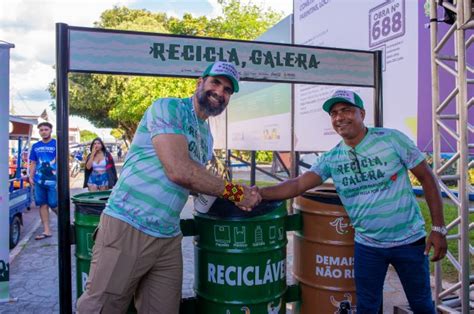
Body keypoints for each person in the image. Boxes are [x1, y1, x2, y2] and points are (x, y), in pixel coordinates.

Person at [77, 62, 261, 313]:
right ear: (200, 82)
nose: (220, 92)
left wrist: (230, 194)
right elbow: (179, 169)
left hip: (167, 237)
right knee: (101, 308)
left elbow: (193, 181)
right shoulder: (168, 107)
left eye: (228, 89)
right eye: (215, 83)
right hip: (128, 223)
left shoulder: (206, 136)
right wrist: (236, 193)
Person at [257, 90, 447, 313]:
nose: (340, 117)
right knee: (367, 307)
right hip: (368, 246)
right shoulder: (332, 158)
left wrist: (438, 228)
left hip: (409, 241)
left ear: (362, 113)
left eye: (347, 110)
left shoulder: (391, 139)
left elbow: (427, 178)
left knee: (422, 305)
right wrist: (259, 193)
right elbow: (298, 185)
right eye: (334, 113)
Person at [29, 122, 57, 240]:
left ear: (51, 130)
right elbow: (33, 163)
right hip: (39, 180)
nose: (44, 131)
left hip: (53, 180)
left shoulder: (57, 144)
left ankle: (66, 223)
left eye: (46, 129)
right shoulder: (35, 146)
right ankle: (46, 230)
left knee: (54, 204)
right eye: (41, 130)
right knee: (42, 204)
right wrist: (30, 176)